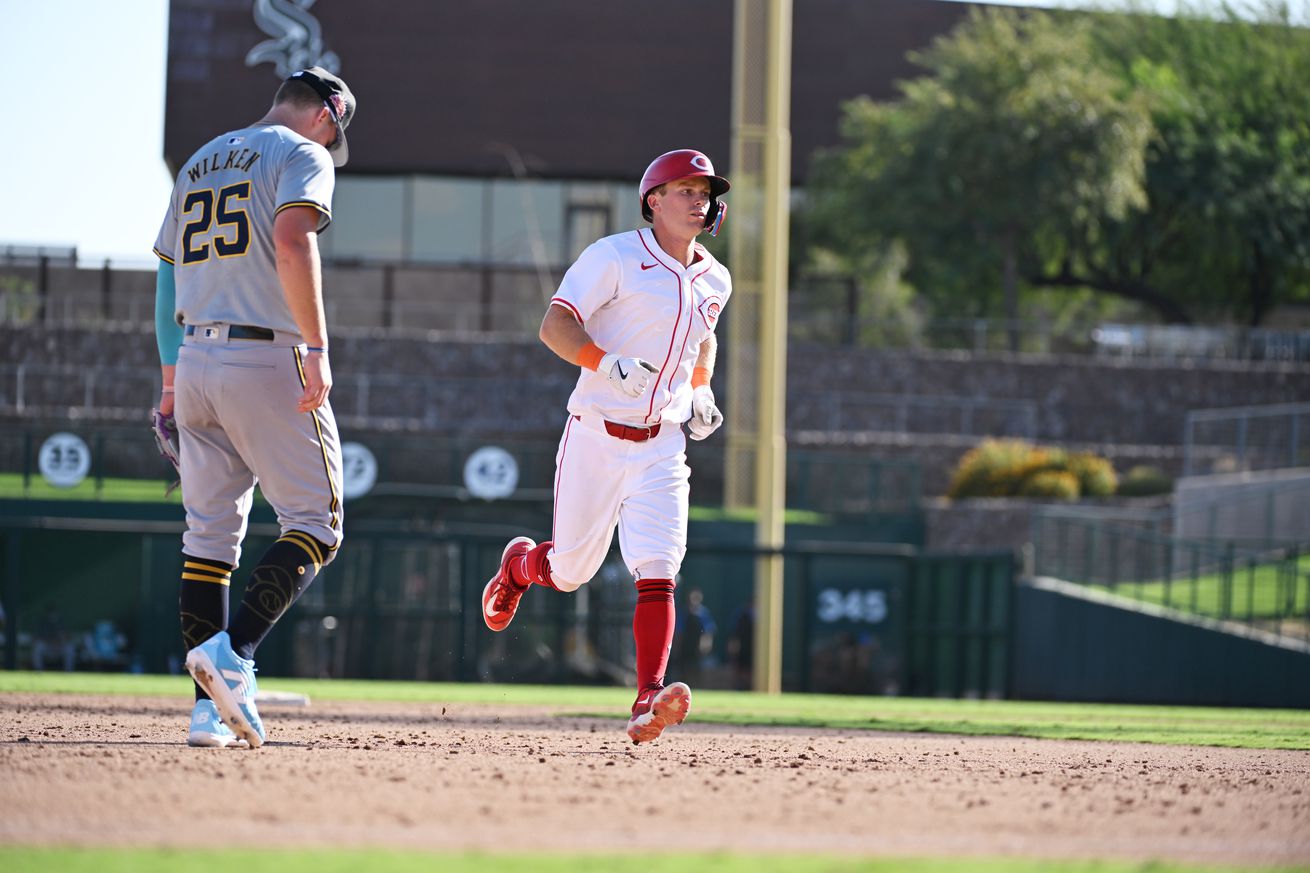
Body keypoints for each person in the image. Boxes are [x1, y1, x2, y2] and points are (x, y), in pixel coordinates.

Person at [480, 149, 731, 744]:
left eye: (705, 191)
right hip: (596, 432)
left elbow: (703, 339)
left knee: (659, 568)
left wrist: (701, 391)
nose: (699, 199)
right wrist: (605, 362)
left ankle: (647, 698)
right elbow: (555, 325)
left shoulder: (714, 276)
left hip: (662, 445)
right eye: (685, 190)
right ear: (654, 200)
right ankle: (518, 567)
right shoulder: (613, 255)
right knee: (570, 571)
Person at [151, 67, 356, 749]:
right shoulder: (304, 153)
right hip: (268, 355)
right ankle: (234, 655)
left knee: (207, 541)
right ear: (327, 118)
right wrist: (318, 347)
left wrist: (171, 380)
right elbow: (295, 241)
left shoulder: (201, 159)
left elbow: (166, 276)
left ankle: (208, 713)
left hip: (198, 359)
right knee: (317, 523)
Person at [672, 587, 716, 686]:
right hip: (684, 648)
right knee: (682, 671)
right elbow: (679, 632)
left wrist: (705, 646)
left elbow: (707, 632)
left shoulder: (703, 613)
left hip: (697, 649)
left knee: (697, 670)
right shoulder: (683, 613)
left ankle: (697, 687)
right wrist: (676, 648)